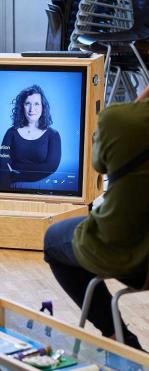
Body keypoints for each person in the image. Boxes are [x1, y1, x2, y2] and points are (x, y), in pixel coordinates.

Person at [44, 86, 149, 350]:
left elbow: (99, 165)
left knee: (53, 240)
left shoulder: (120, 120)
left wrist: (137, 105)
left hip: (126, 257)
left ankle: (122, 343)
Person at [0, 84, 61, 189]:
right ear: (22, 106)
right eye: (28, 103)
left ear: (43, 107)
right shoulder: (11, 133)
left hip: (44, 190)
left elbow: (50, 167)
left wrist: (18, 171)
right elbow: (4, 169)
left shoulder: (53, 135)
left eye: (37, 104)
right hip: (14, 189)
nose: (32, 109)